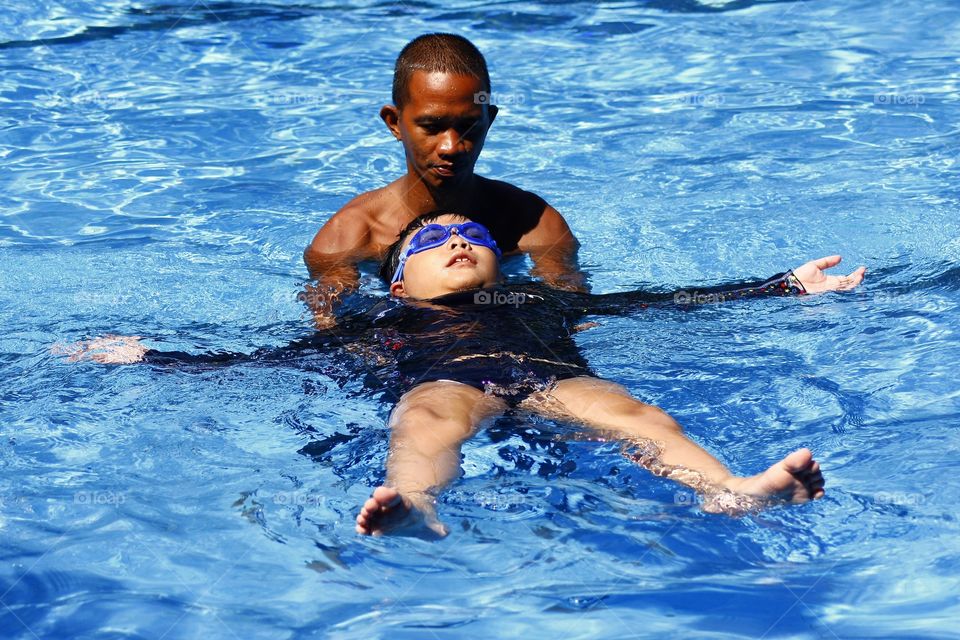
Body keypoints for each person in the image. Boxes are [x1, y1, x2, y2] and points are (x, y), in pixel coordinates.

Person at [64, 212, 864, 539]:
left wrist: (784, 285)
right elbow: (274, 359)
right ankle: (415, 503)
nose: (458, 240)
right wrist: (150, 356)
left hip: (551, 375)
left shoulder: (531, 298)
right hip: (451, 381)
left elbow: (665, 303)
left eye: (472, 236)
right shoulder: (383, 320)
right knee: (423, 423)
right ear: (400, 283)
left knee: (641, 415)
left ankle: (728, 490)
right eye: (435, 240)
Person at [301, 33, 582, 327]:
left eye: (468, 126)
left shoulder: (533, 224)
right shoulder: (350, 236)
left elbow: (571, 316)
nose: (451, 147)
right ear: (394, 123)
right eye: (432, 127)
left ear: (490, 119)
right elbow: (332, 333)